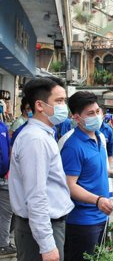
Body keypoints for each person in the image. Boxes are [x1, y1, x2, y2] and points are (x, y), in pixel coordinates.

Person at [9, 77, 74, 261]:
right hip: (39, 230)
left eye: (64, 101)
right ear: (40, 105)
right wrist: (47, 245)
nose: (64, 106)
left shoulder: (45, 135)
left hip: (46, 226)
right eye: (59, 101)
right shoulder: (35, 140)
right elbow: (36, 196)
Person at [59, 91, 113, 261]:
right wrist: (97, 200)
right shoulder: (73, 146)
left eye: (98, 111)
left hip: (101, 216)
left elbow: (89, 170)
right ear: (77, 118)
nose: (97, 116)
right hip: (82, 221)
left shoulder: (99, 136)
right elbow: (70, 185)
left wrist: (112, 173)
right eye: (90, 113)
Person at [0, 120, 15, 256]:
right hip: (3, 177)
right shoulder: (2, 127)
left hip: (5, 176)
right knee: (6, 214)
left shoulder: (3, 126)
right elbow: (5, 158)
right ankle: (3, 245)